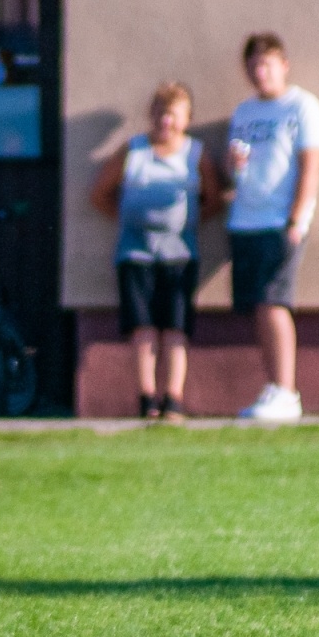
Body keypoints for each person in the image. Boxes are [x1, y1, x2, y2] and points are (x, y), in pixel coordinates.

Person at [90, 81, 222, 421]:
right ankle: (147, 399)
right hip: (136, 254)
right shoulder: (132, 151)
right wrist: (130, 221)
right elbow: (100, 194)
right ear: (152, 115)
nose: (166, 121)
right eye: (161, 113)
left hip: (181, 254)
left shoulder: (195, 154)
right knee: (143, 327)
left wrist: (187, 222)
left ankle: (173, 399)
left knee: (176, 328)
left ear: (187, 119)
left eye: (174, 115)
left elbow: (213, 198)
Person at [227, 32, 319, 422]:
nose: (260, 72)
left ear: (283, 66)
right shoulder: (244, 112)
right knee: (259, 305)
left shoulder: (301, 106)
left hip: (280, 221)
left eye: (267, 64)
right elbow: (235, 170)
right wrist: (234, 167)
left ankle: (287, 392)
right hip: (245, 221)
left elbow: (311, 165)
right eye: (253, 65)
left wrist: (297, 218)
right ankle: (273, 387)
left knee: (274, 302)